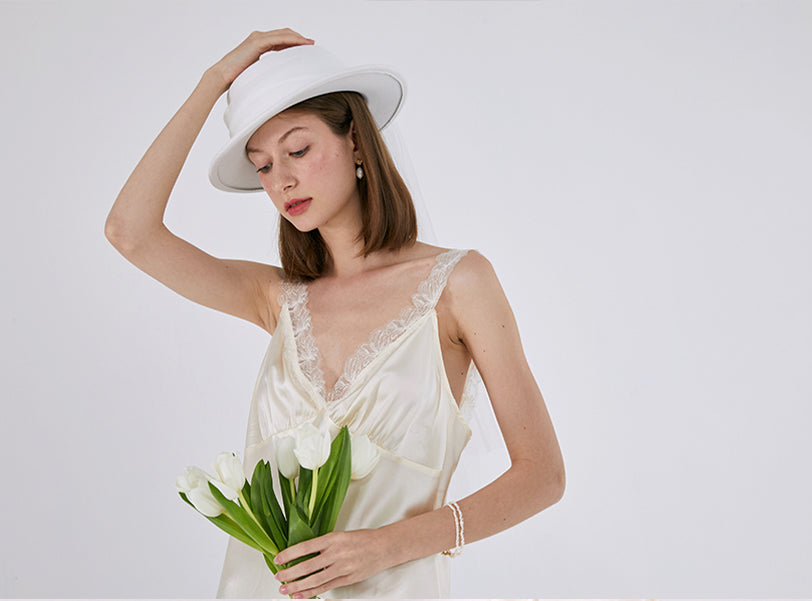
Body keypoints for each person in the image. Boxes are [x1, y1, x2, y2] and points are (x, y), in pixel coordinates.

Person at [106, 29, 564, 599]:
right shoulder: (276, 298)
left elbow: (542, 475)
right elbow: (130, 233)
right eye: (263, 166)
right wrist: (213, 82)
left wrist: (386, 546)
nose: (283, 180)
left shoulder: (459, 283)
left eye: (298, 150)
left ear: (355, 143)